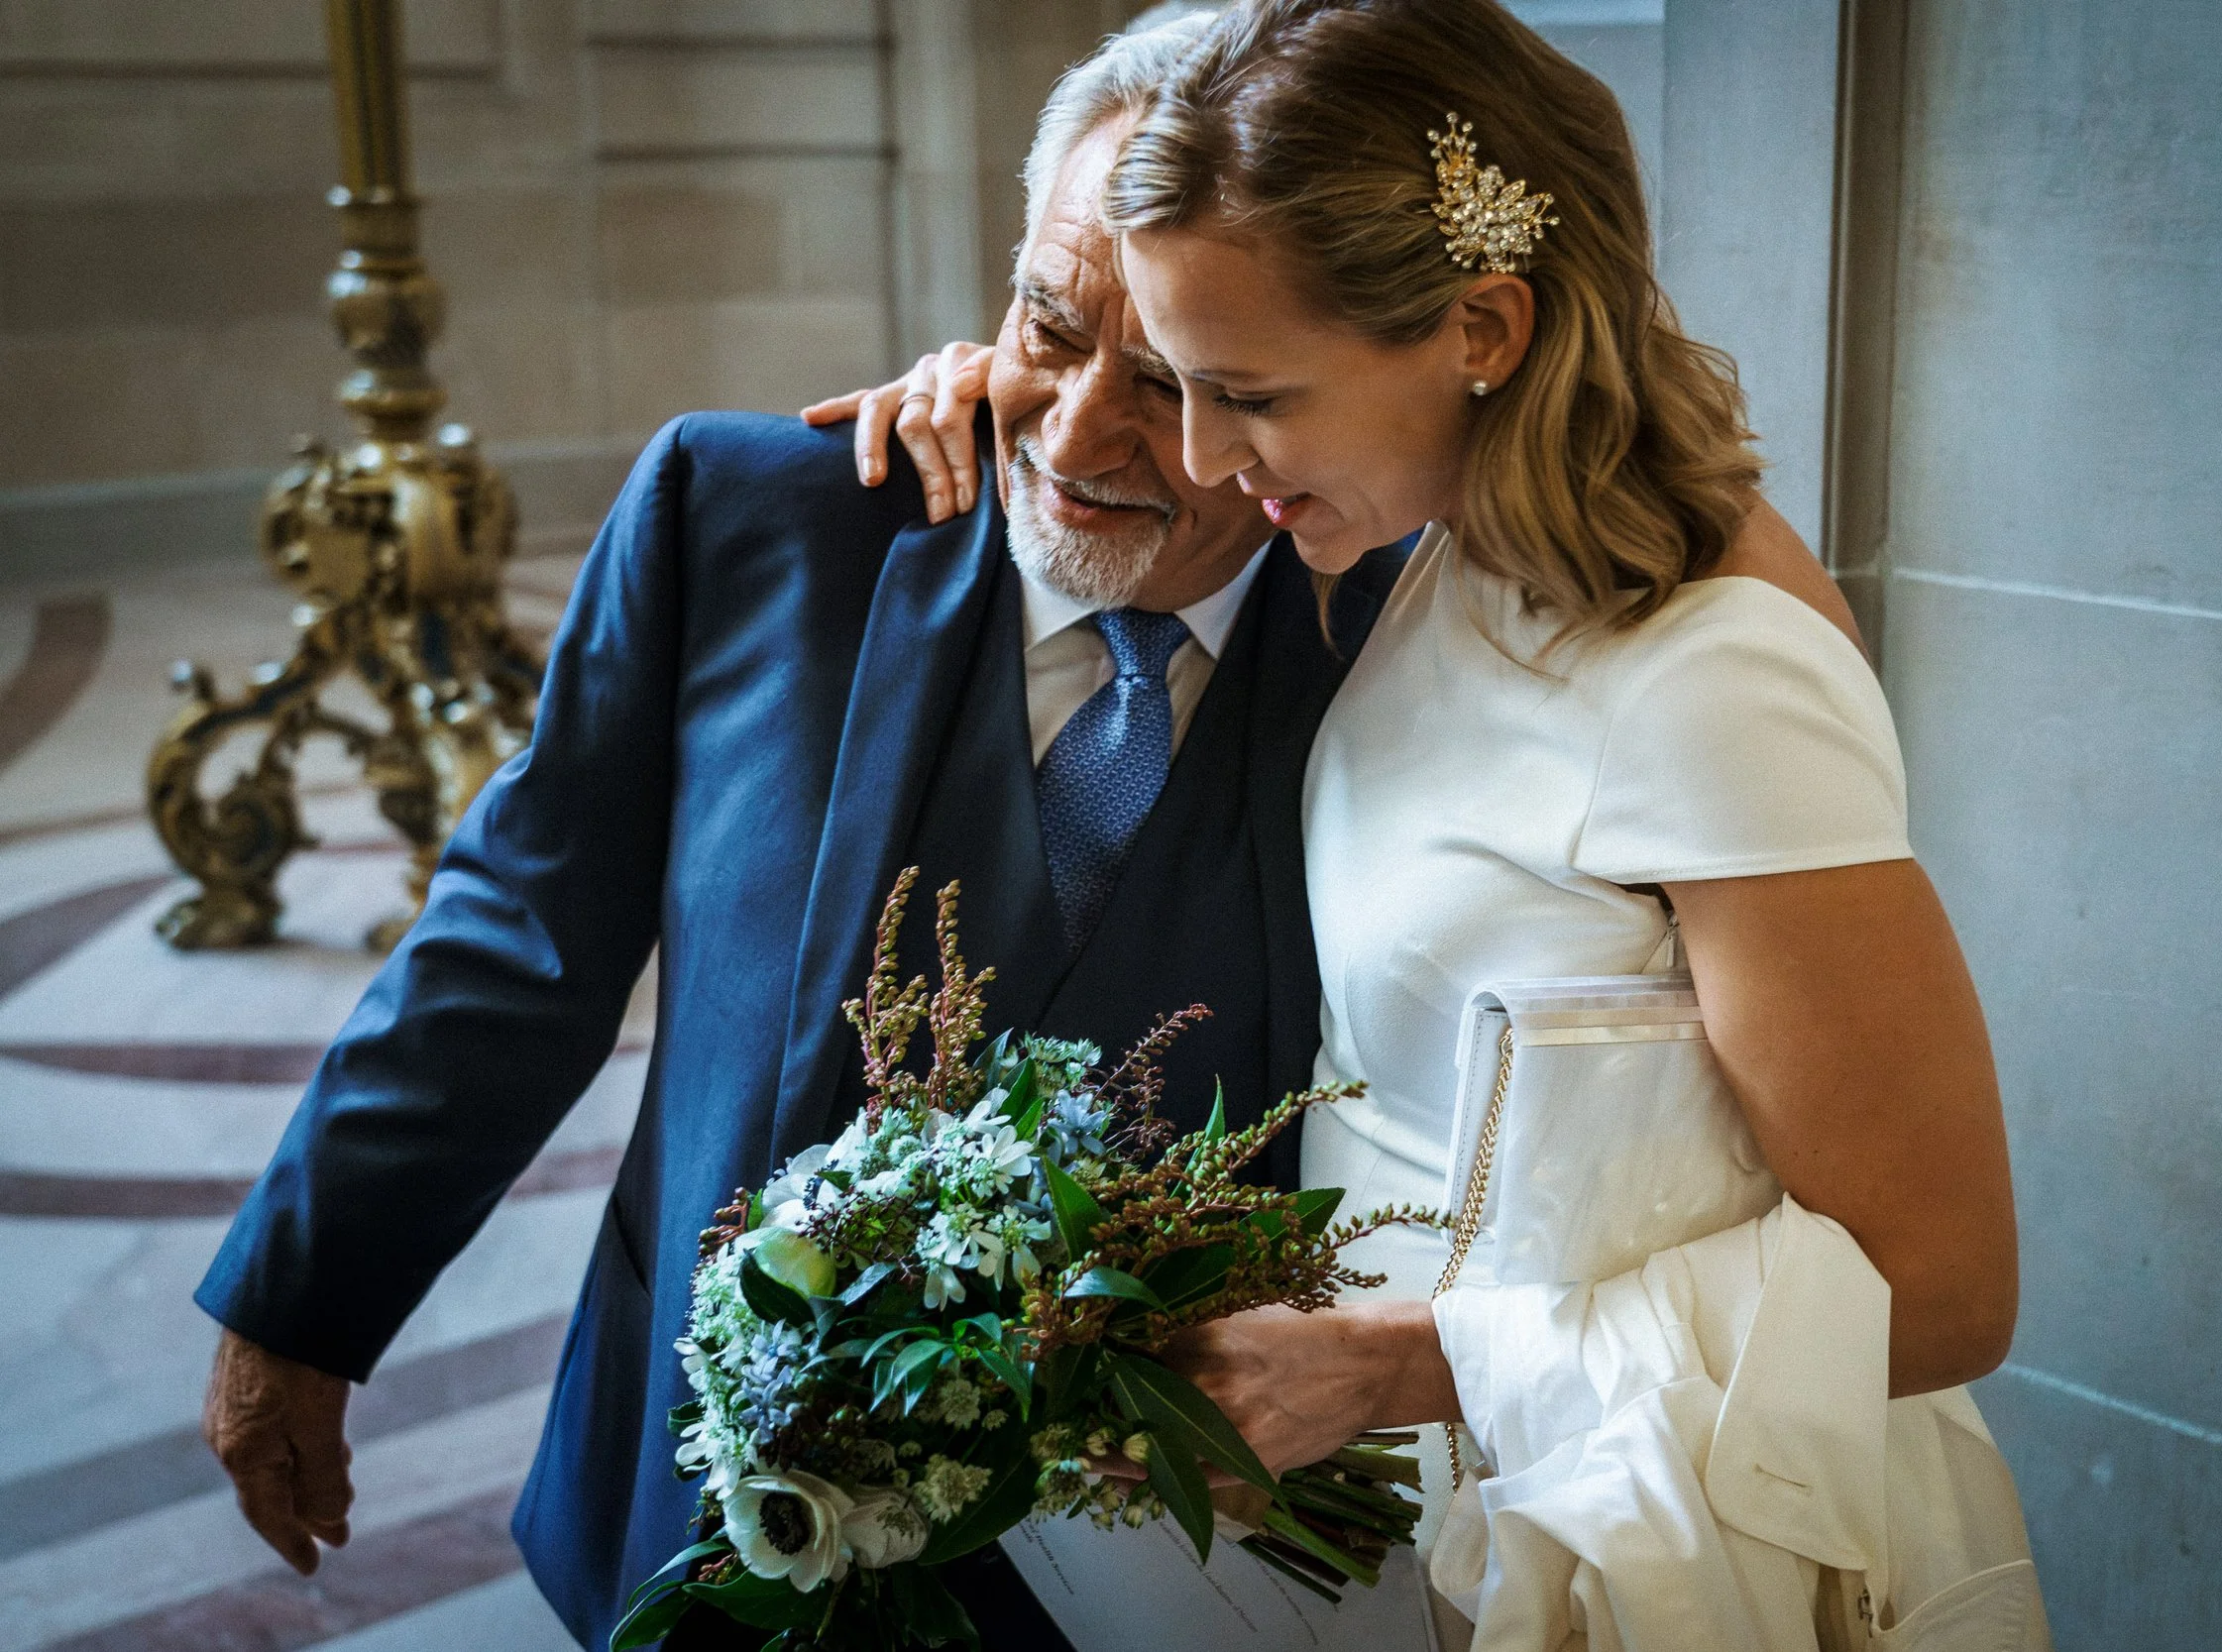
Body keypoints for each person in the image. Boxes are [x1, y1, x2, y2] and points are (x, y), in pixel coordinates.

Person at [814, 2, 2048, 1644]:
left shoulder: (1716, 672)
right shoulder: (1422, 545)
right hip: (1388, 1516)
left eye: (1243, 392)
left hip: (1644, 1533)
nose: (1194, 455)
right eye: (1178, 380)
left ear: (1482, 323)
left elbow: (1946, 1284)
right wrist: (1011, 393)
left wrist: (1404, 1362)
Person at [189, 14, 1405, 1648]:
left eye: (1183, 383)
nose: (1079, 431)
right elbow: (521, 939)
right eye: (1049, 326)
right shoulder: (755, 519)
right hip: (697, 1512)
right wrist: (299, 1295)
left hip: (1149, 1568)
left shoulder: (1404, 637)